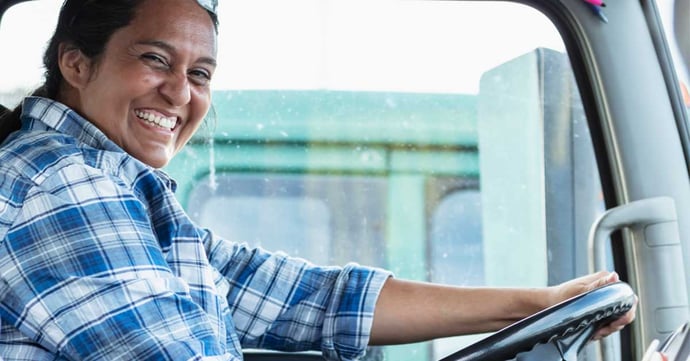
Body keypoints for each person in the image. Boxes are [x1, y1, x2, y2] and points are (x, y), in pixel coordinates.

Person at [0, 0, 636, 360]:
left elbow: (308, 297)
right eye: (154, 60)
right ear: (76, 63)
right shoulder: (60, 185)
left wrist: (539, 305)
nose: (179, 92)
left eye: (200, 74)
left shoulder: (120, 190)